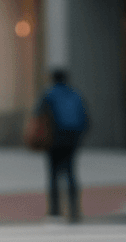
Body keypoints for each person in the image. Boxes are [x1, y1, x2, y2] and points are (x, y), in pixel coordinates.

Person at [36, 69, 89, 222]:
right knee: (71, 173)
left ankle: (55, 210)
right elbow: (85, 118)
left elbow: (38, 113)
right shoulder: (75, 94)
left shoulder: (49, 94)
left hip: (54, 139)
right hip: (72, 138)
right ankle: (74, 210)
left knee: (53, 174)